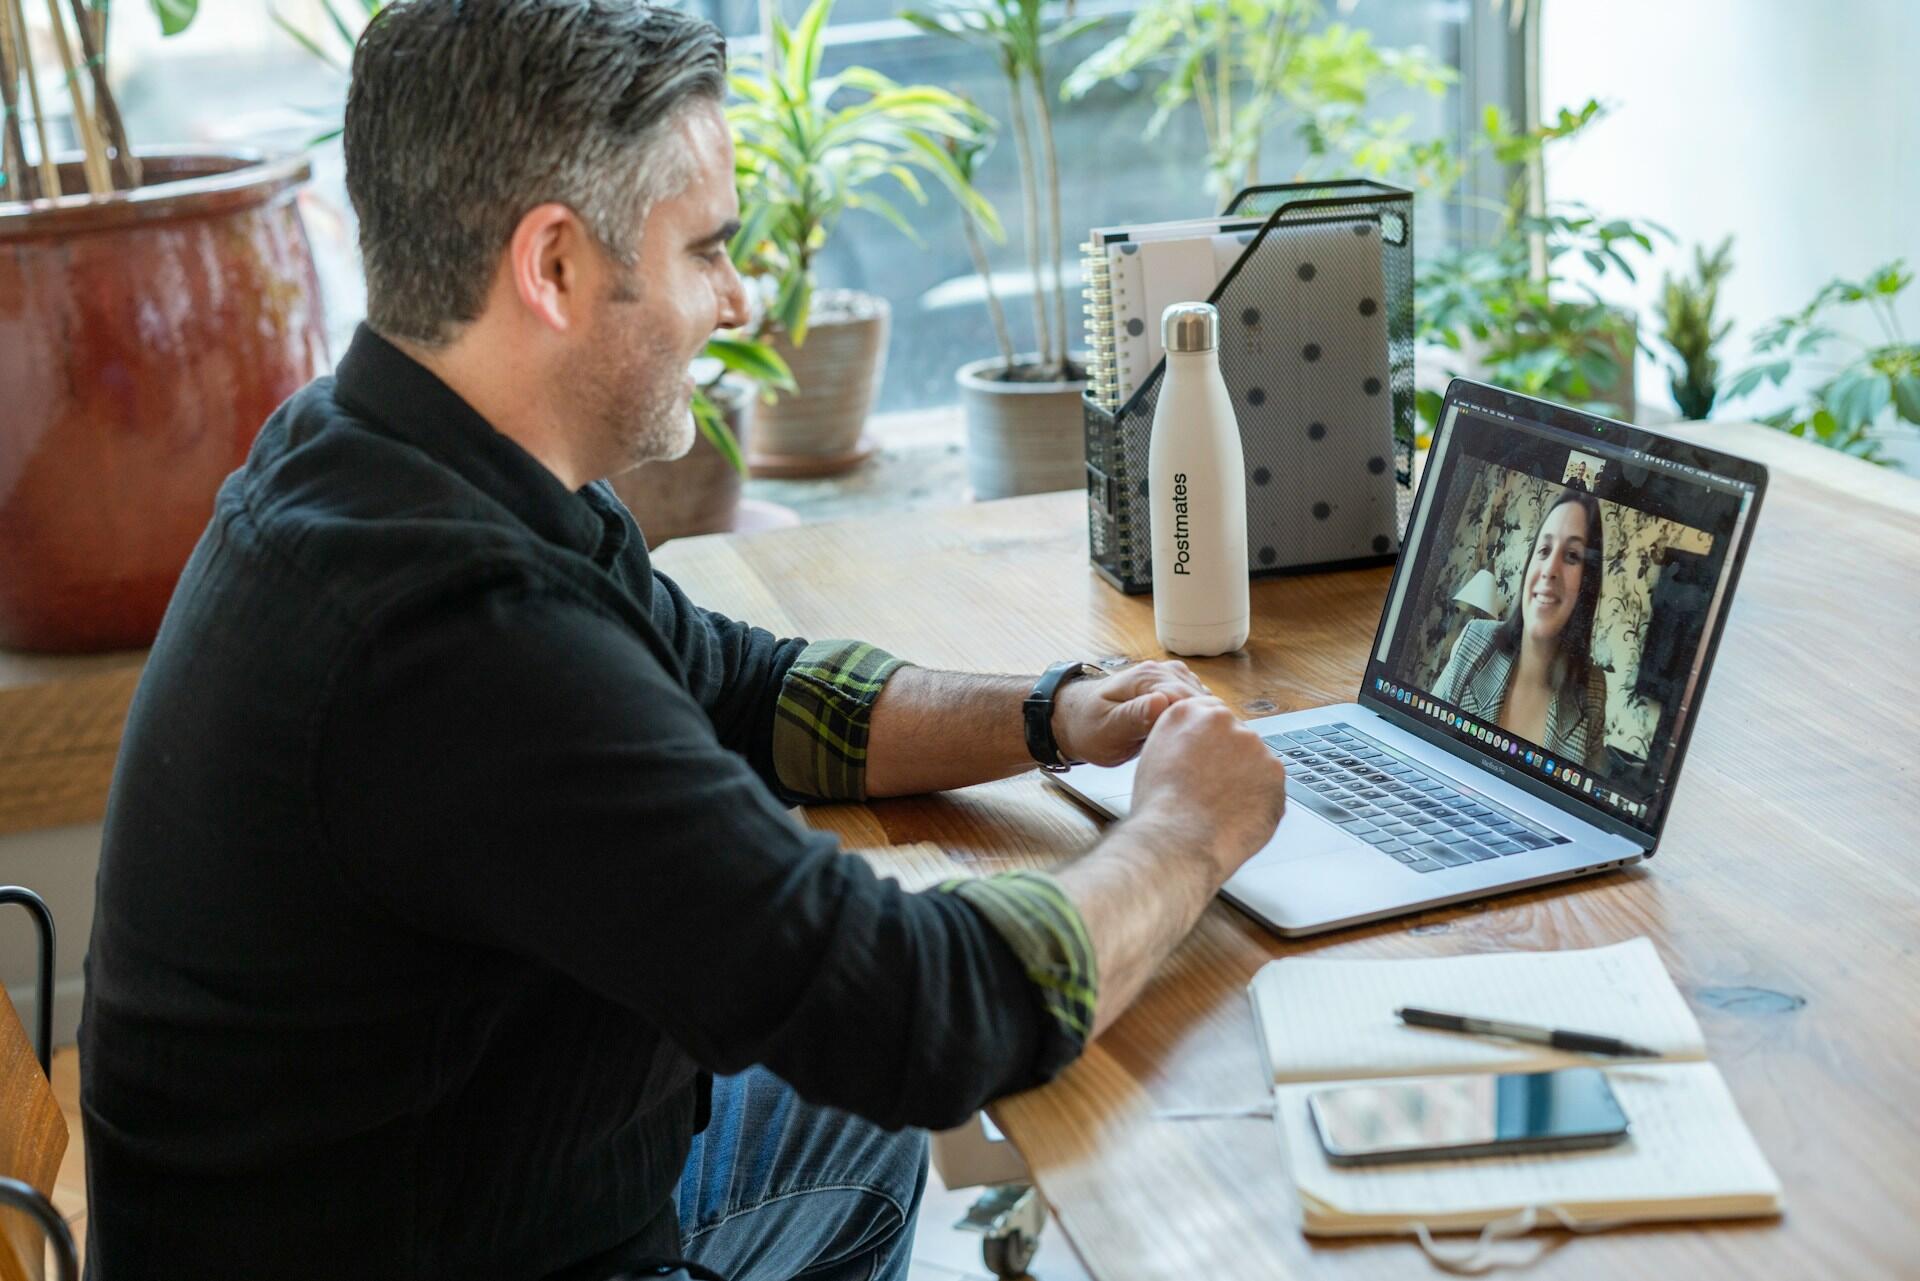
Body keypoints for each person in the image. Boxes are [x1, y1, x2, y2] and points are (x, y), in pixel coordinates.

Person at [76, 3, 1289, 1279]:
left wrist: (1051, 712)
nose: (739, 296)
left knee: (846, 1106)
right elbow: (920, 1016)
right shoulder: (455, 640)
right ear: (552, 268)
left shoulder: (388, 453)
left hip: (448, 1181)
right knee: (906, 1067)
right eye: (707, 249)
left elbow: (747, 689)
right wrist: (1186, 833)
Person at [1433, 488, 1609, 771]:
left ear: (1587, 583)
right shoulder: (1474, 641)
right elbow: (1421, 742)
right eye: (1544, 550)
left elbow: (1587, 803)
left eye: (1572, 556)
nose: (1550, 569)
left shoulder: (1593, 691)